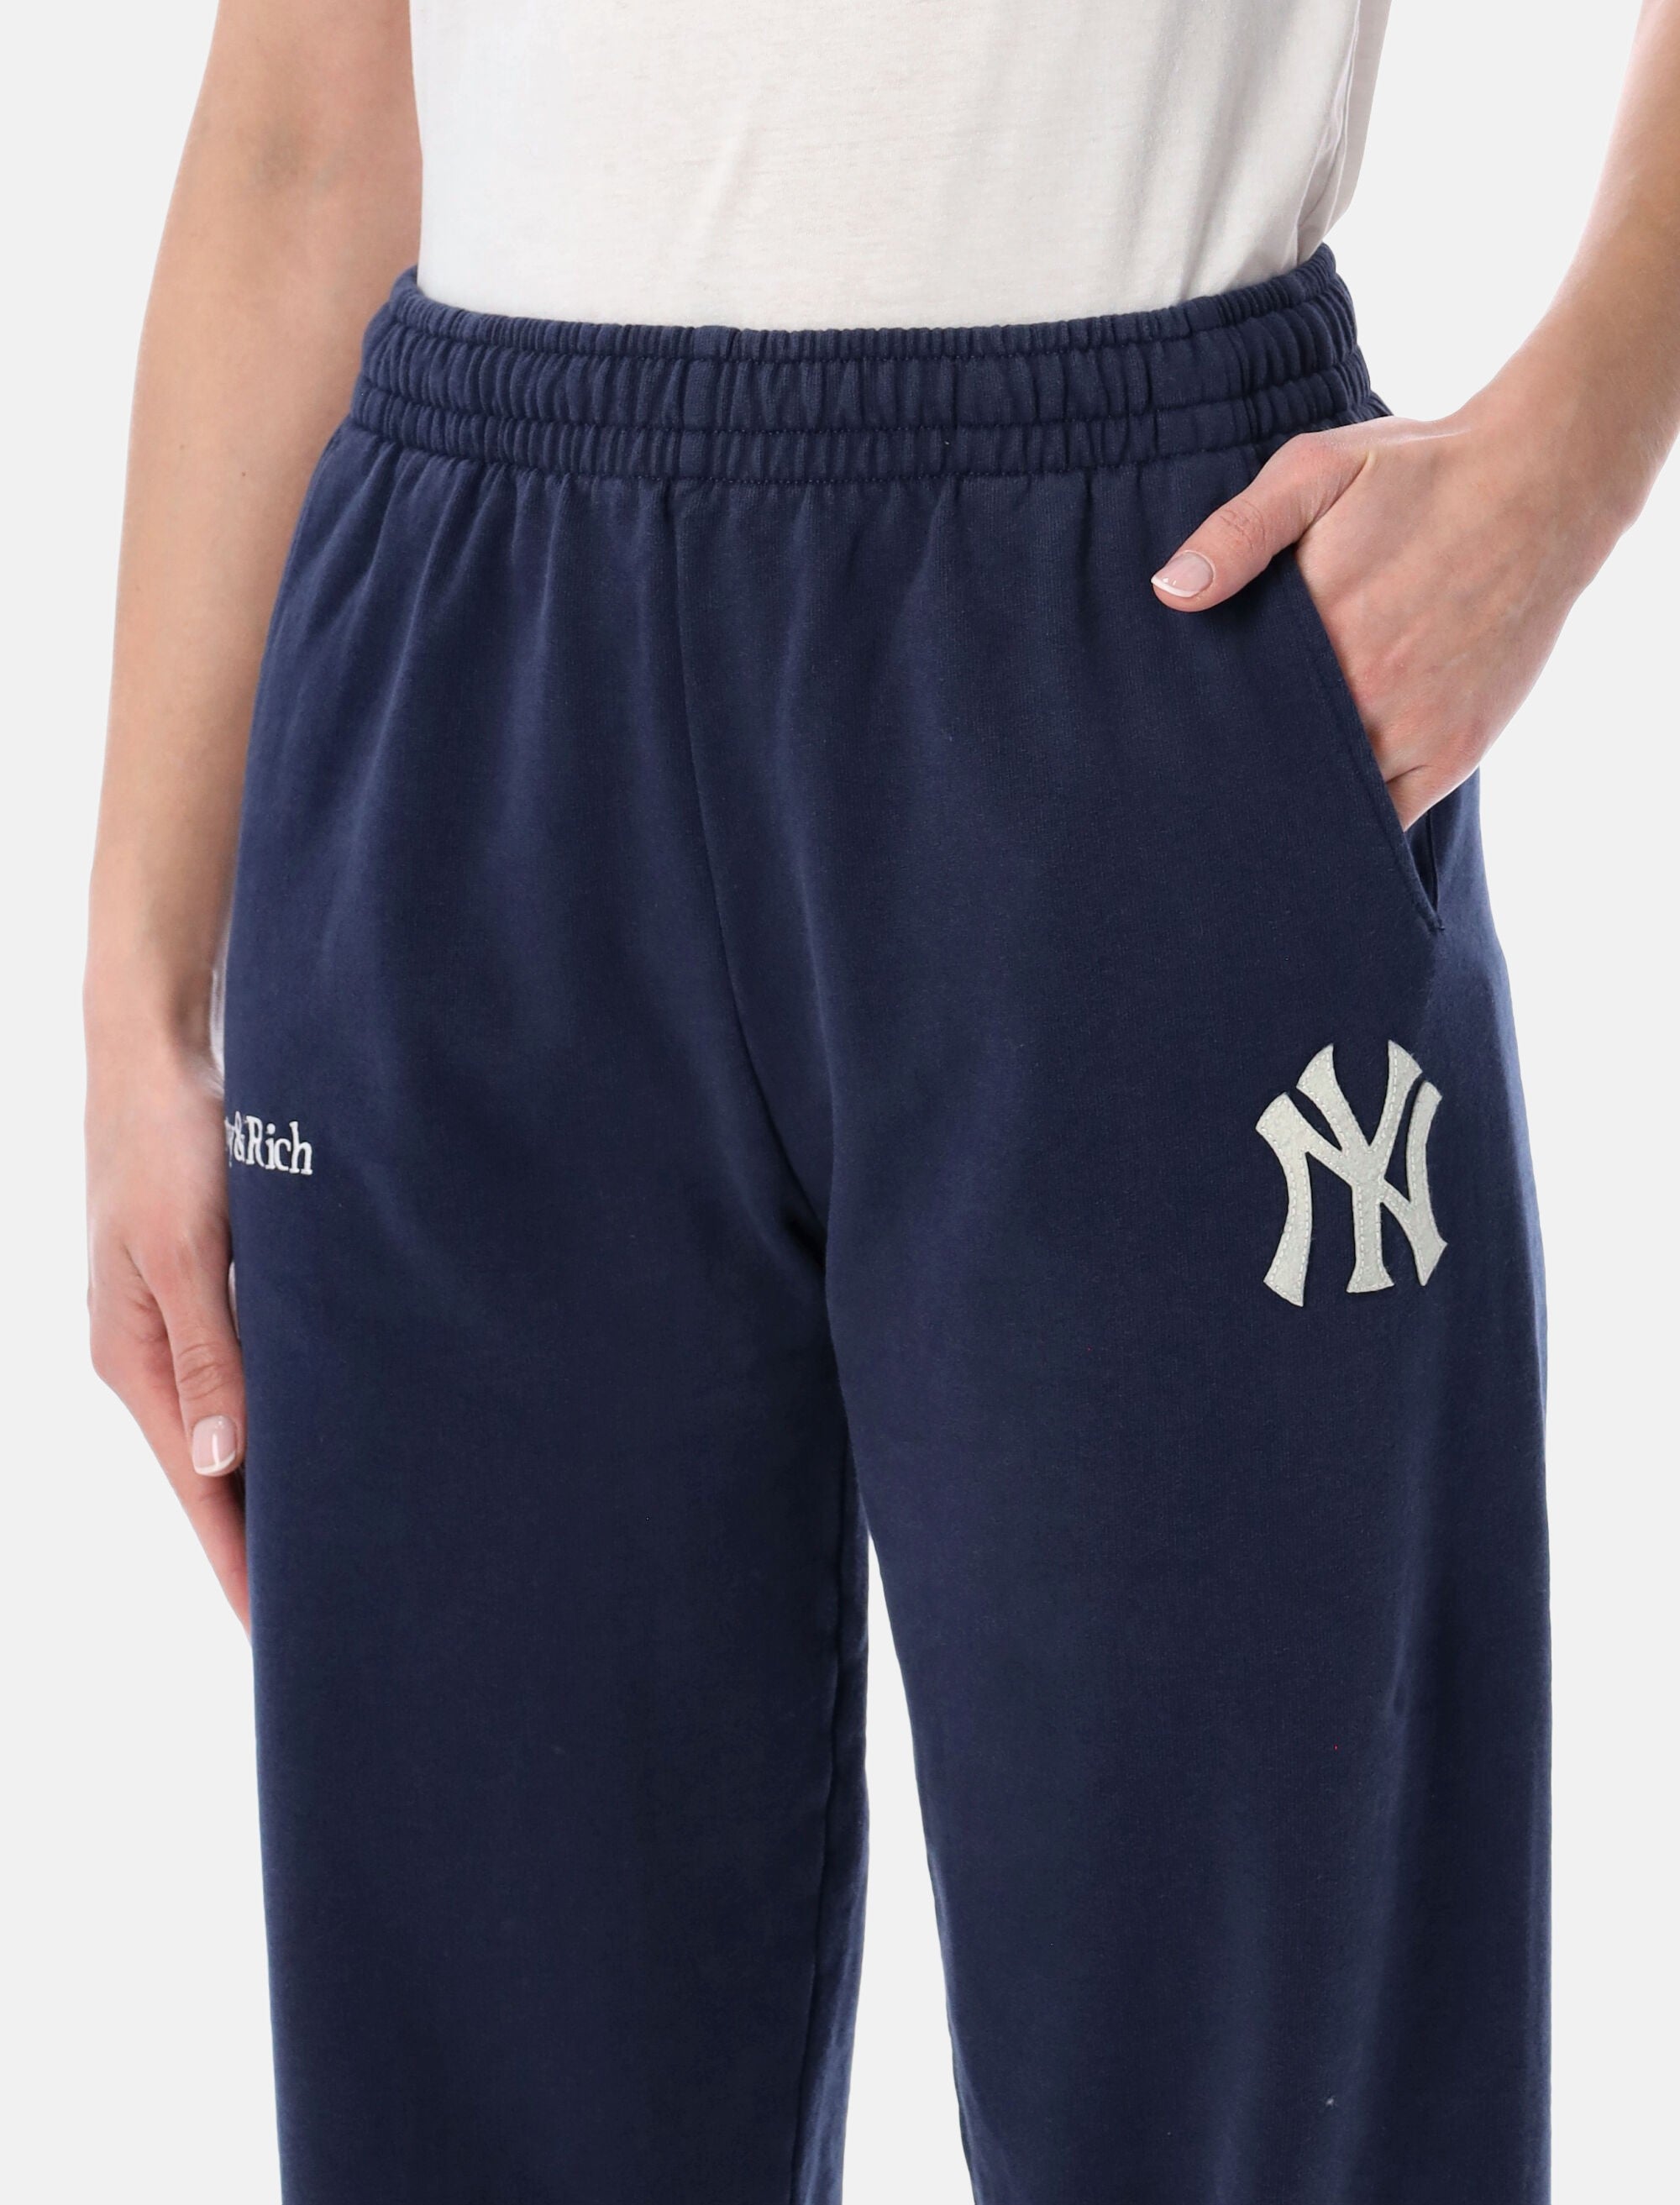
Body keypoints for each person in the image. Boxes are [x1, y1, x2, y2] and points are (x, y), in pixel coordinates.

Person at [85, 3, 1680, 2199]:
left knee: (1264, 2091)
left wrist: (1575, 449)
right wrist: (138, 987)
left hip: (1148, 611)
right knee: (484, 2105)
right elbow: (305, 119)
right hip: (472, 684)